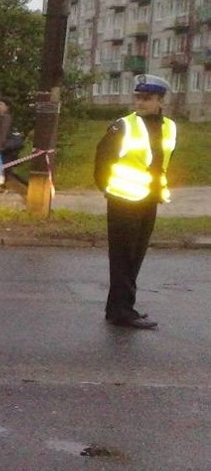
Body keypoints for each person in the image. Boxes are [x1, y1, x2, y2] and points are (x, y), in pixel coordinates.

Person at [94, 74, 177, 330]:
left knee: (135, 256)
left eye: (147, 98)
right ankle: (122, 311)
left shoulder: (169, 127)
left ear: (160, 100)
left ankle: (119, 308)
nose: (140, 102)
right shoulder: (124, 126)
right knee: (122, 257)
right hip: (123, 200)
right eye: (138, 97)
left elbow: (162, 161)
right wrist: (109, 189)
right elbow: (102, 160)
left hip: (149, 199)